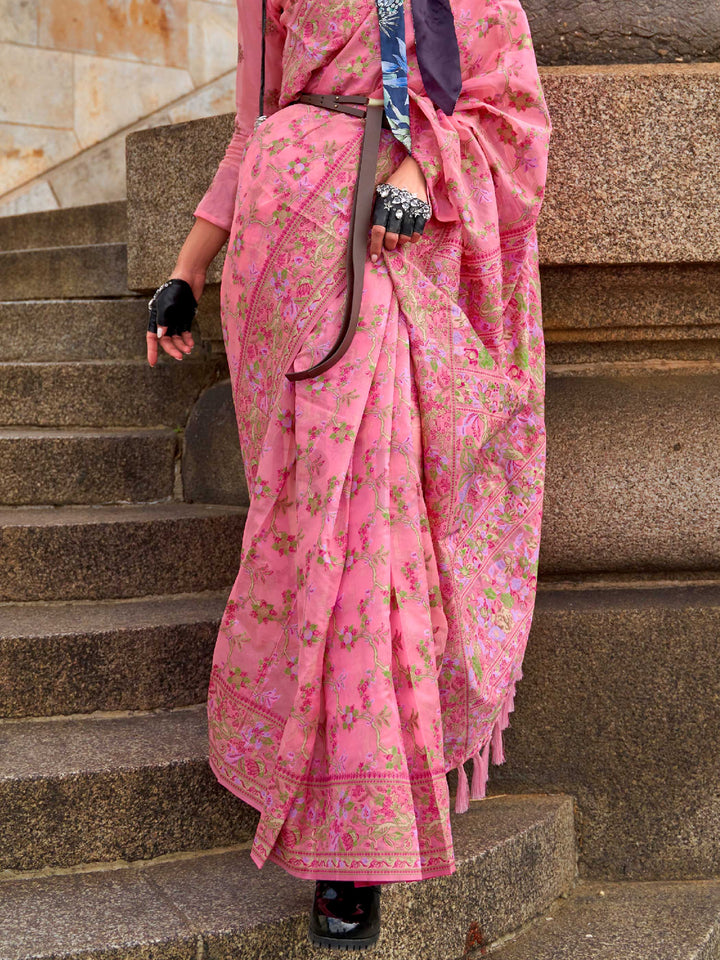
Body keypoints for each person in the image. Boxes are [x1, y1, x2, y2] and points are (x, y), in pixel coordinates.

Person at [146, 0, 551, 950]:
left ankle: (352, 843)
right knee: (303, 521)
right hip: (279, 253)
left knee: (366, 514)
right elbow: (253, 127)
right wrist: (188, 269)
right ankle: (327, 791)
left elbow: (509, 114)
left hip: (384, 239)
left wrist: (419, 166)